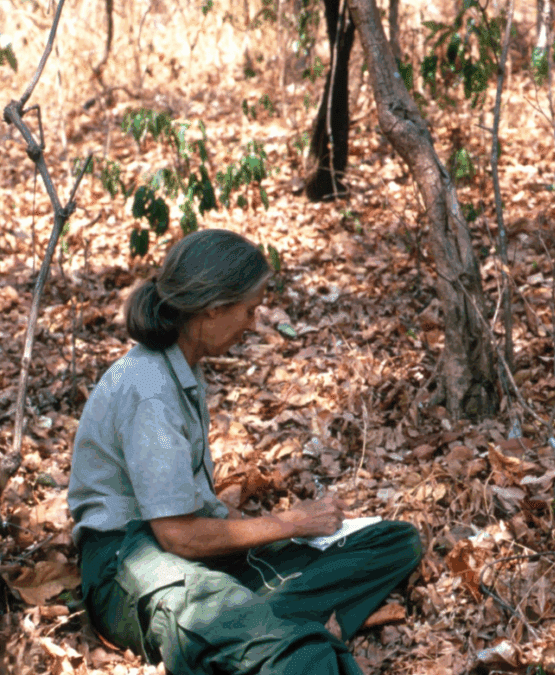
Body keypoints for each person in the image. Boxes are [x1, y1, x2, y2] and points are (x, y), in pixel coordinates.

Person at [67, 229, 422, 675]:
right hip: (129, 566)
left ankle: (259, 624)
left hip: (185, 551)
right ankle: (275, 633)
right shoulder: (150, 388)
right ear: (214, 306)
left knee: (393, 541)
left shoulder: (181, 369)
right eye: (249, 310)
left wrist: (283, 531)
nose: (253, 323)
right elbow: (177, 536)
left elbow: (193, 518)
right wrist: (288, 523)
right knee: (304, 663)